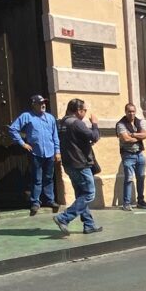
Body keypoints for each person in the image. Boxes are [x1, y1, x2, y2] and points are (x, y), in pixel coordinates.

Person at [54, 99, 102, 235]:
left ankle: (89, 224)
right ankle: (64, 218)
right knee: (89, 194)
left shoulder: (62, 123)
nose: (85, 113)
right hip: (80, 164)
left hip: (69, 163)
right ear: (79, 110)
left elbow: (73, 141)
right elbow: (94, 136)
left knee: (81, 194)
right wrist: (95, 124)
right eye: (84, 110)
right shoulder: (77, 123)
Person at [8, 95, 61, 216]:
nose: (43, 105)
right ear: (34, 104)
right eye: (40, 103)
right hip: (35, 152)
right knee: (36, 178)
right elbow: (12, 129)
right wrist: (22, 143)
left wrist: (57, 151)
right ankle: (35, 202)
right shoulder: (27, 116)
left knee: (48, 177)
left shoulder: (50, 118)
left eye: (44, 103)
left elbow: (55, 136)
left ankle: (50, 200)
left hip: (50, 152)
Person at [115, 103, 146, 211]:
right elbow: (125, 139)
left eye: (133, 111)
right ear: (125, 112)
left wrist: (133, 135)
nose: (131, 113)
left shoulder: (139, 121)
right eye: (129, 111)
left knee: (141, 178)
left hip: (140, 154)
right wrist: (139, 137)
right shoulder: (120, 124)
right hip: (128, 155)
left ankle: (141, 201)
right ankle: (126, 203)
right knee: (129, 179)